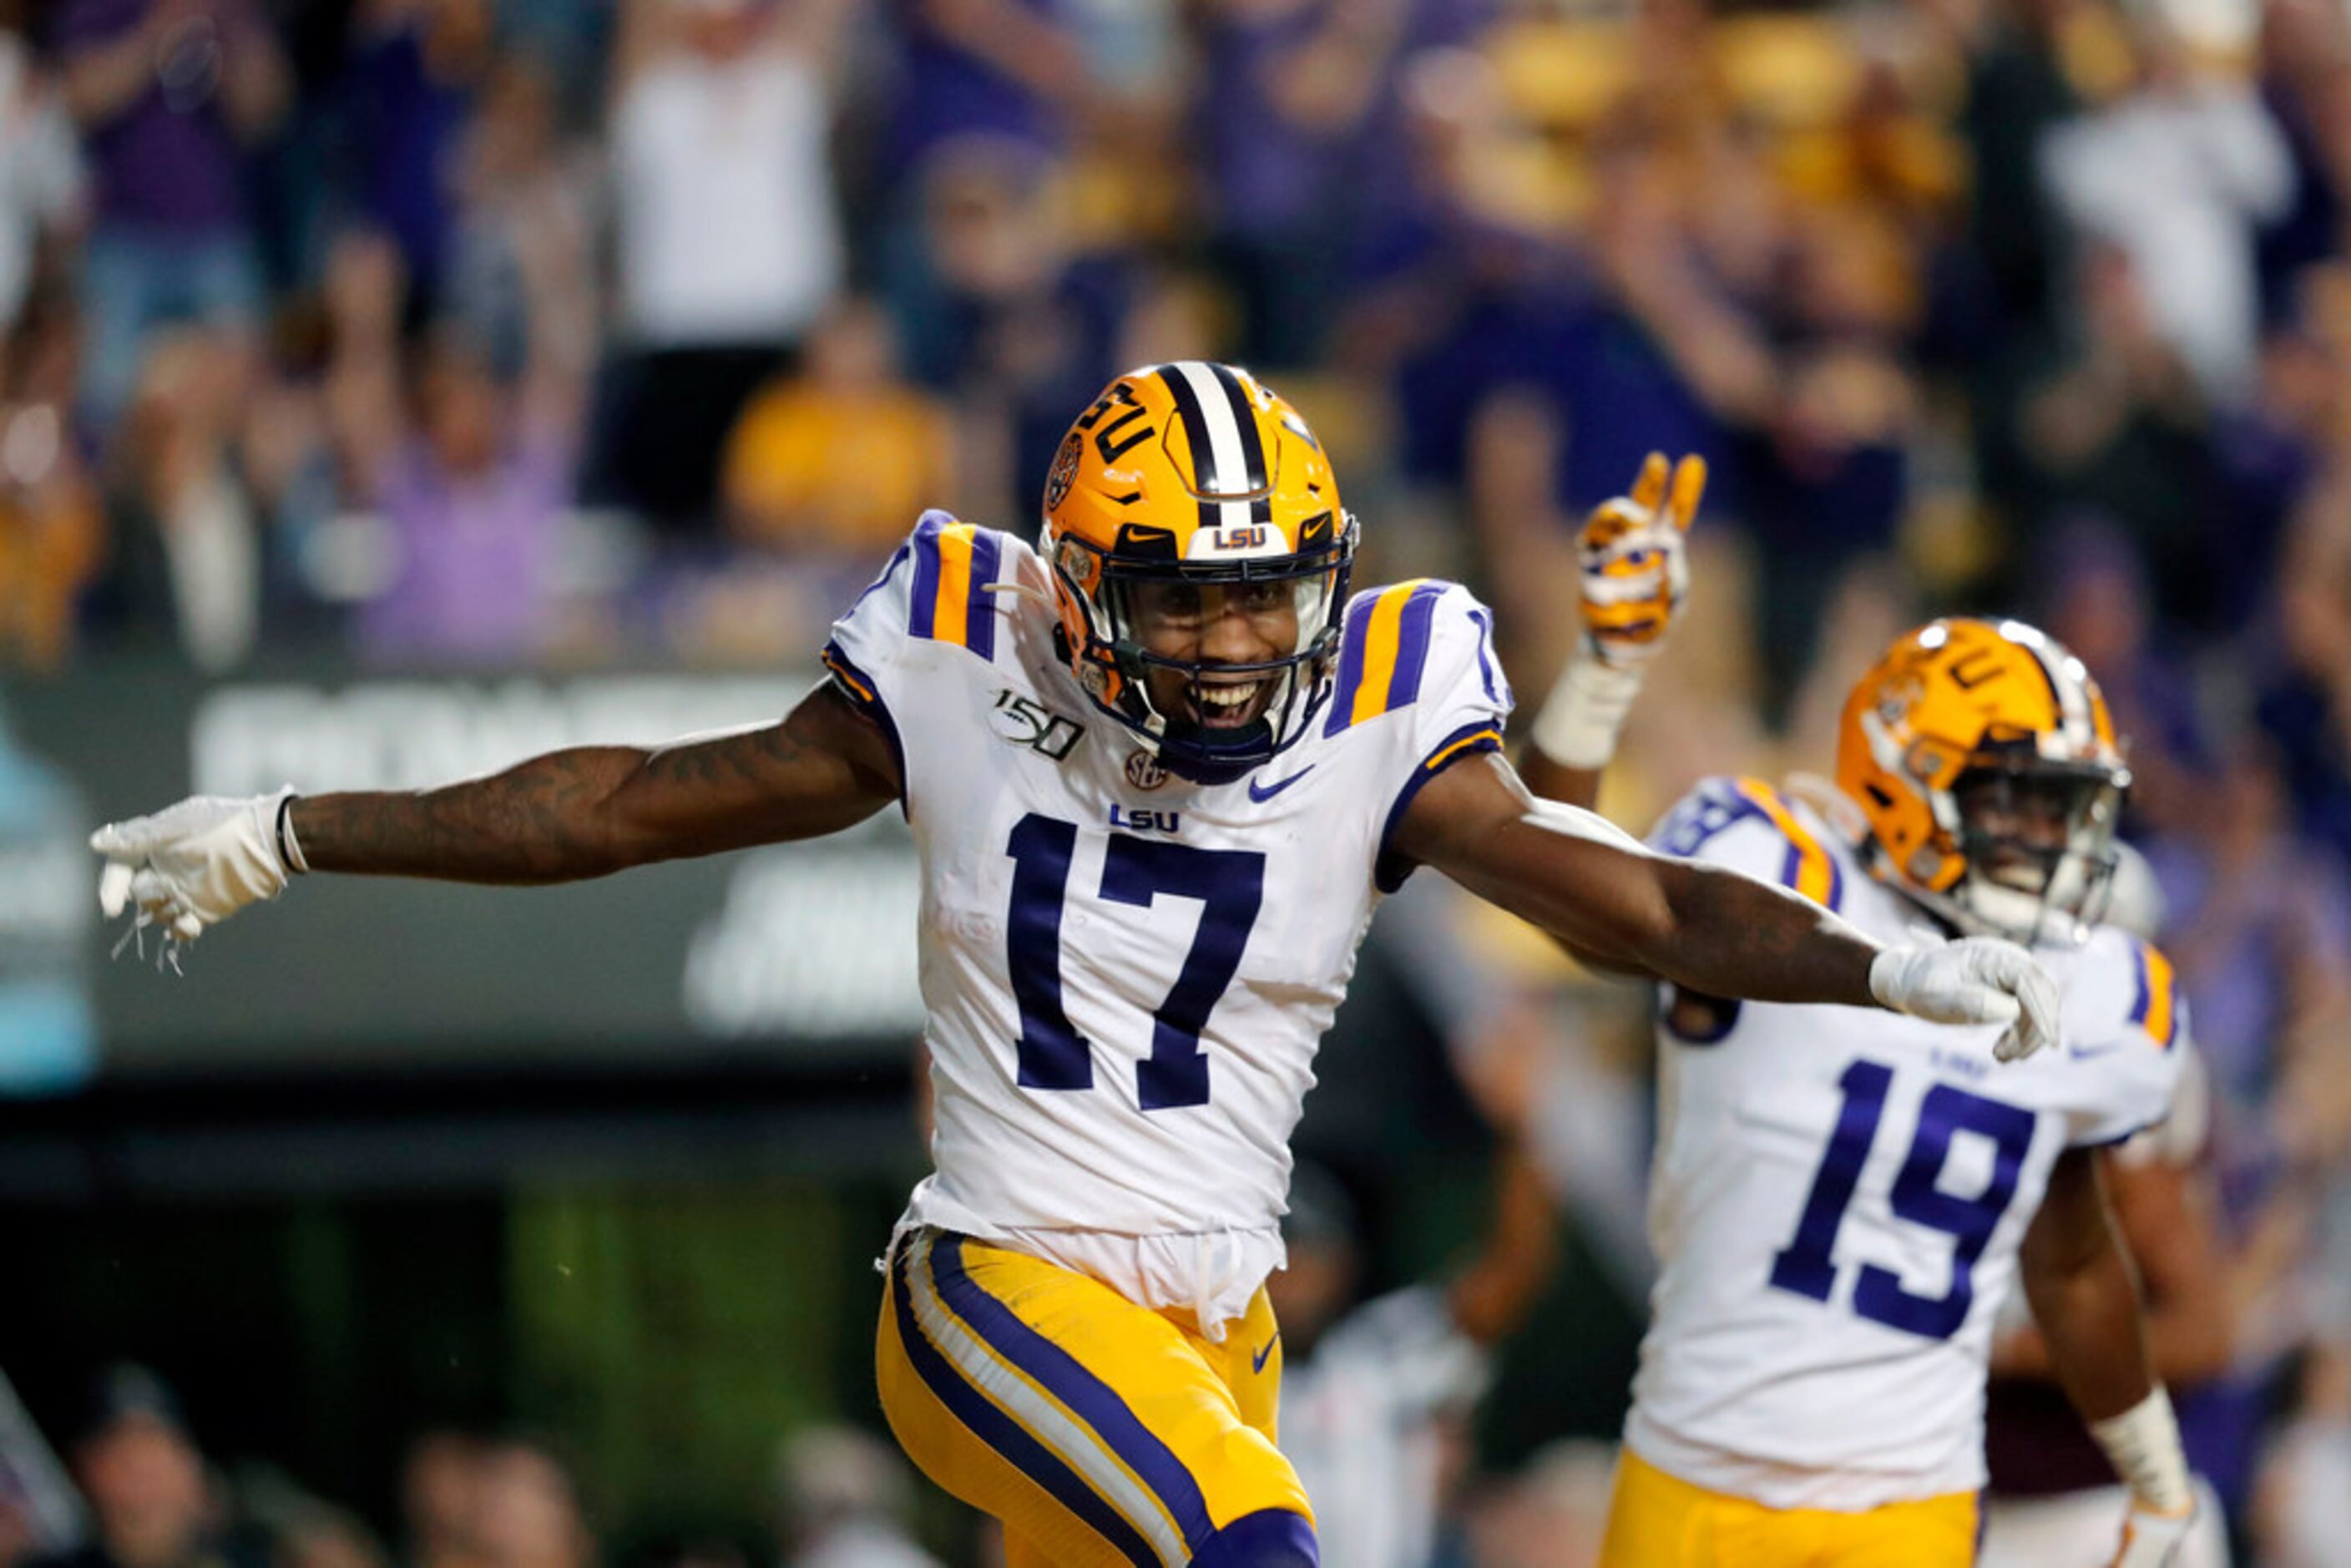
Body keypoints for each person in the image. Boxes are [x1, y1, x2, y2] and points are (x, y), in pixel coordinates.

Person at [91, 363, 2062, 1567]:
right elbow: (628, 800)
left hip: (1219, 1326)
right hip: (996, 1285)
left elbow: (1614, 894)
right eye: (1180, 603)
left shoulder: (1387, 704)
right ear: (1073, 585)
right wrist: (296, 823)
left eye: (1261, 596)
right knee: (1258, 1547)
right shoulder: (965, 645)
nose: (1224, 645)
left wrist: (1879, 972)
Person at [1519, 454, 2199, 1565]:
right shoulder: (1775, 864)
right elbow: (1567, 894)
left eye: (2071, 809)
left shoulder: (2101, 995)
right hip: (1696, 1471)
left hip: (1913, 1501)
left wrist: (2158, 1473)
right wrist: (1602, 671)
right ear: (1904, 775)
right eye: (2022, 805)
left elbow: (2073, 1258)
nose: (2055, 842)